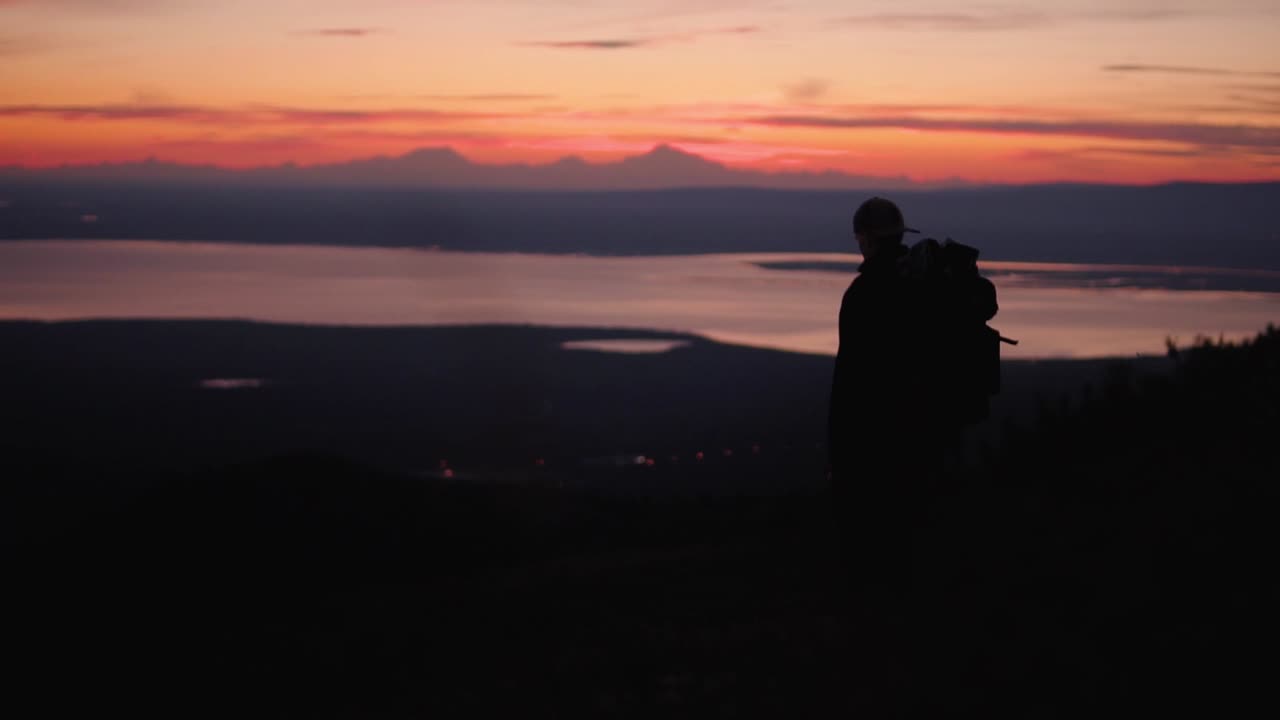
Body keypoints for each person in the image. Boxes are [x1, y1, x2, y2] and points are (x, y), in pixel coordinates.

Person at [827, 197, 944, 596]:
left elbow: (851, 378)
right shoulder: (924, 287)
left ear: (865, 240)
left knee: (874, 535)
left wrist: (838, 448)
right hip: (928, 428)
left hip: (875, 436)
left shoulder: (864, 295)